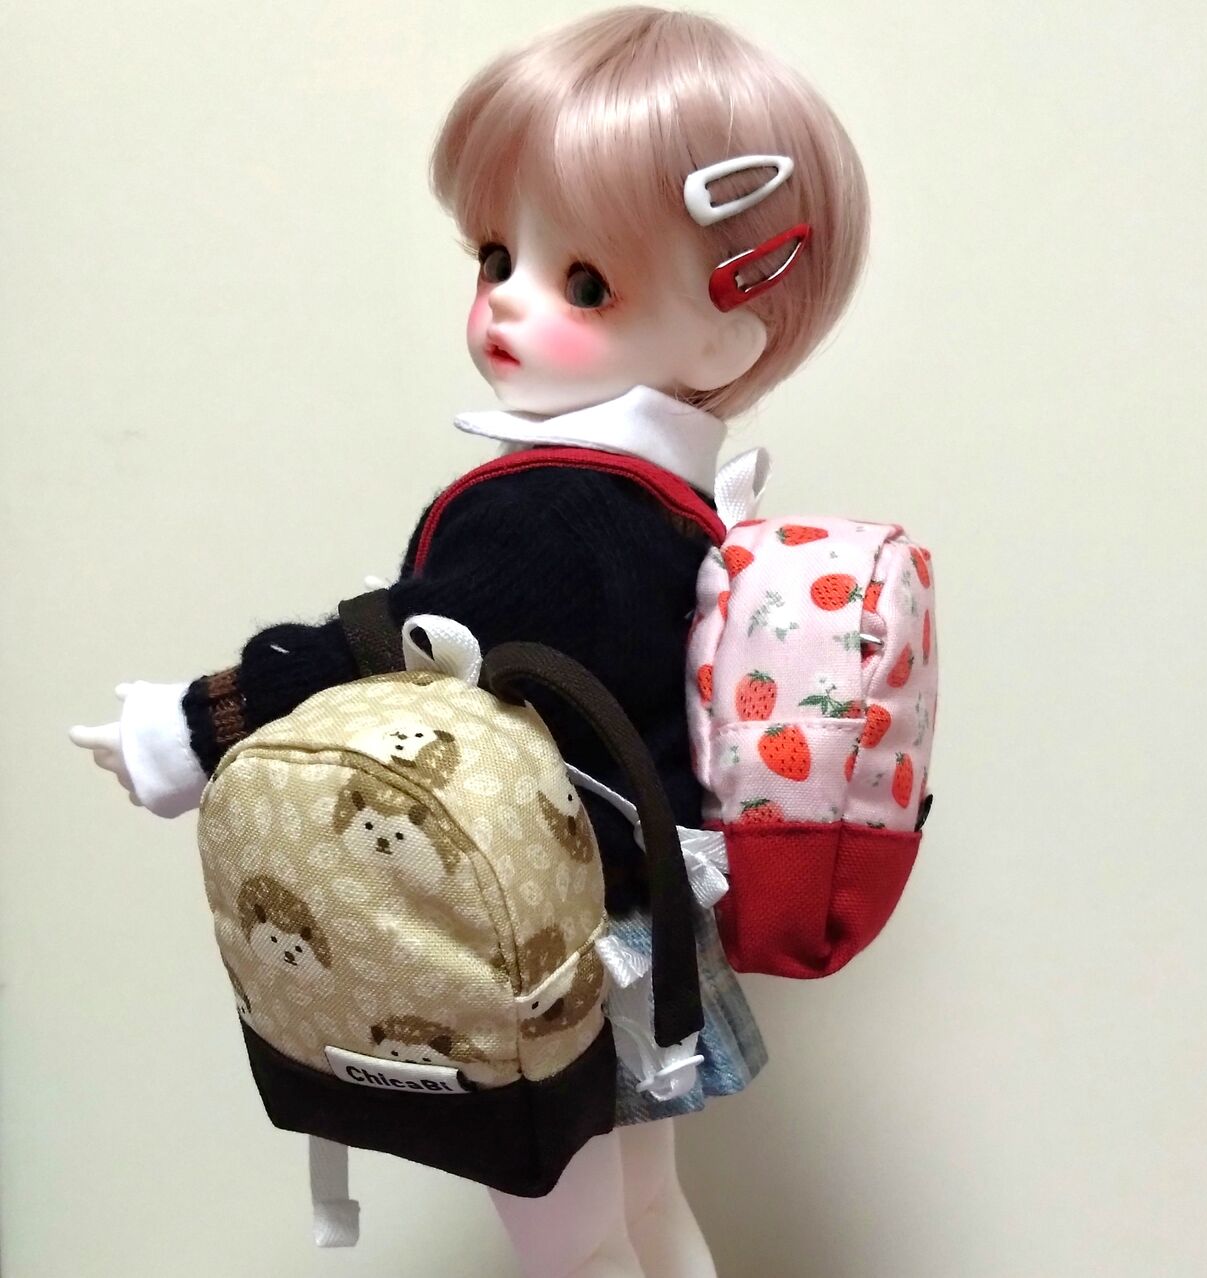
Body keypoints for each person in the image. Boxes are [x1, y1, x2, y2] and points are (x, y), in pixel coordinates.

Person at [71, 8, 871, 1276]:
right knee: (645, 1213)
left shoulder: (557, 507)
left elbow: (391, 646)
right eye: (497, 256)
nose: (504, 302)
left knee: (571, 1247)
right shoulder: (669, 502)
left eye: (585, 282)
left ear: (727, 335)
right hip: (639, 924)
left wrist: (196, 724)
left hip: (551, 943)